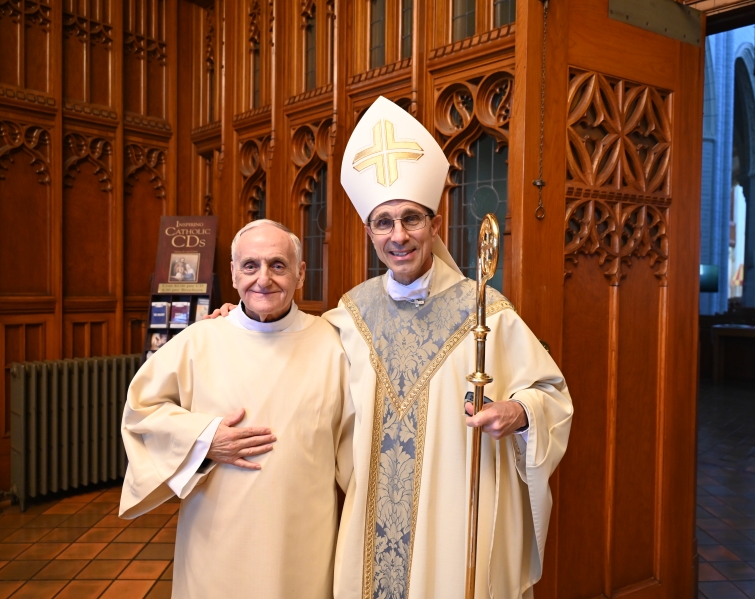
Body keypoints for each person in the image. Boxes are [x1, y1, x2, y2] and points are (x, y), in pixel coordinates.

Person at [214, 97, 573, 598]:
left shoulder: (485, 312)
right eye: (383, 222)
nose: (398, 236)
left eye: (412, 219)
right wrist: (244, 321)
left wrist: (519, 410)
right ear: (368, 232)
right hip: (368, 522)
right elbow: (292, 350)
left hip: (453, 524)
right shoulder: (348, 316)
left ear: (436, 225)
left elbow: (551, 395)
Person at [120, 220, 352, 599]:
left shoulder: (331, 342)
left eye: (278, 265)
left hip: (302, 535)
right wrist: (204, 440)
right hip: (217, 534)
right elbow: (141, 412)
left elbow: (358, 438)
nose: (264, 279)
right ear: (232, 273)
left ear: (300, 273)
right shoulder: (200, 339)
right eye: (250, 265)